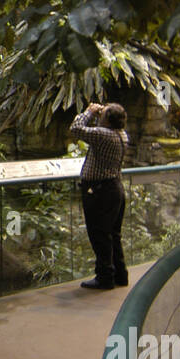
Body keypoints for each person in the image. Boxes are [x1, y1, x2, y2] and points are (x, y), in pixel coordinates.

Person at [69, 102, 129, 290]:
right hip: (115, 188)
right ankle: (119, 274)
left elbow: (76, 128)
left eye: (103, 114)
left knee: (99, 234)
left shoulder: (104, 135)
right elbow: (97, 130)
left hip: (100, 191)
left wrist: (89, 112)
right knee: (113, 234)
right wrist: (100, 115)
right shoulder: (121, 135)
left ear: (108, 120)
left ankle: (104, 277)